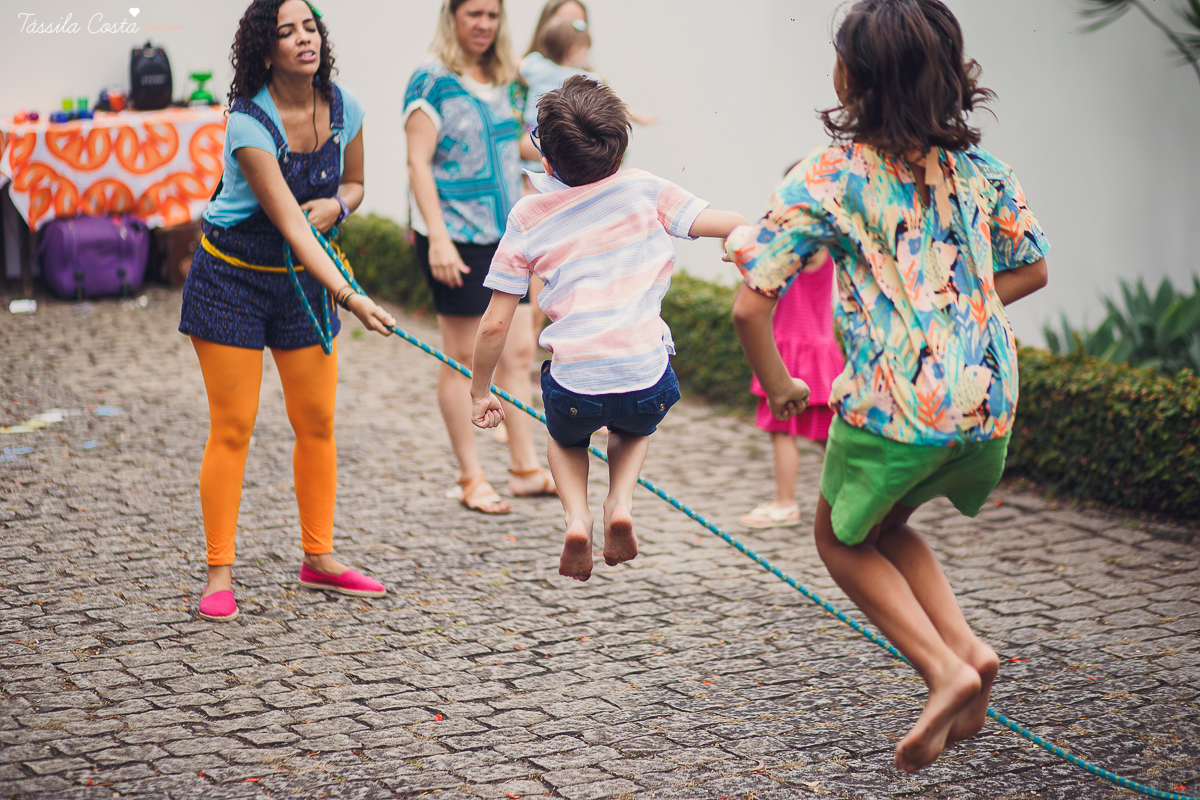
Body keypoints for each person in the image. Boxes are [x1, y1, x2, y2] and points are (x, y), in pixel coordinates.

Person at [728, 0, 1049, 774]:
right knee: (886, 523)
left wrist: (780, 385)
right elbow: (1033, 269)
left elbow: (749, 302)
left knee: (839, 537)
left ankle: (941, 670)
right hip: (989, 402)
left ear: (851, 78)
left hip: (896, 403)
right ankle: (969, 649)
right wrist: (950, 316)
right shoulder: (984, 170)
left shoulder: (827, 173)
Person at [469, 76, 748, 582]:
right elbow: (730, 221)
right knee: (633, 427)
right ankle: (619, 503)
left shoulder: (528, 214)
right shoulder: (643, 187)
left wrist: (480, 392)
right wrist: (740, 240)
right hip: (645, 370)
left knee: (566, 438)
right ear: (617, 149)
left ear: (547, 159)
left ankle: (576, 517)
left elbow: (494, 324)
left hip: (577, 378)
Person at [179, 0, 396, 622]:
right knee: (234, 426)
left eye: (309, 27)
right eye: (285, 32)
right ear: (264, 50)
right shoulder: (248, 124)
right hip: (232, 281)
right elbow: (292, 229)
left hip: (301, 280)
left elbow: (354, 186)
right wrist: (352, 297)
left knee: (317, 421)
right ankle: (220, 569)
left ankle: (319, 558)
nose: (304, 39)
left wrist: (340, 207)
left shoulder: (346, 105)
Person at [404, 0, 555, 515]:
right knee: (463, 358)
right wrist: (439, 238)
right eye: (474, 14)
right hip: (457, 239)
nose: (483, 25)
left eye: (492, 15)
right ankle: (471, 476)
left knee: (515, 355)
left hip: (505, 234)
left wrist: (579, 149)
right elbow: (417, 164)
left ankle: (524, 469)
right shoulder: (430, 81)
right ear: (453, 16)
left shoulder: (508, 79)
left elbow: (512, 146)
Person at [739, 247, 844, 529]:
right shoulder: (825, 242)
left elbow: (756, 263)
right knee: (830, 436)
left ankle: (785, 502)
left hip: (790, 351)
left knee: (782, 430)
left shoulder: (801, 245)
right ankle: (864, 489)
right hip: (822, 351)